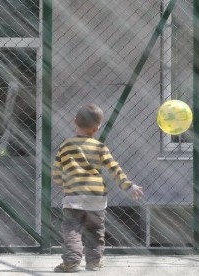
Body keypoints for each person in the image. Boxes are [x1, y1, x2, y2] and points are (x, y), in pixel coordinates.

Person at [52, 104, 143, 272]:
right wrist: (129, 186)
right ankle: (94, 261)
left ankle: (72, 260)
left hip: (74, 197)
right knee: (95, 229)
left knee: (72, 228)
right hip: (96, 198)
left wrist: (60, 182)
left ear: (74, 121)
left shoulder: (65, 146)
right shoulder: (100, 147)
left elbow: (57, 171)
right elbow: (114, 168)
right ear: (97, 128)